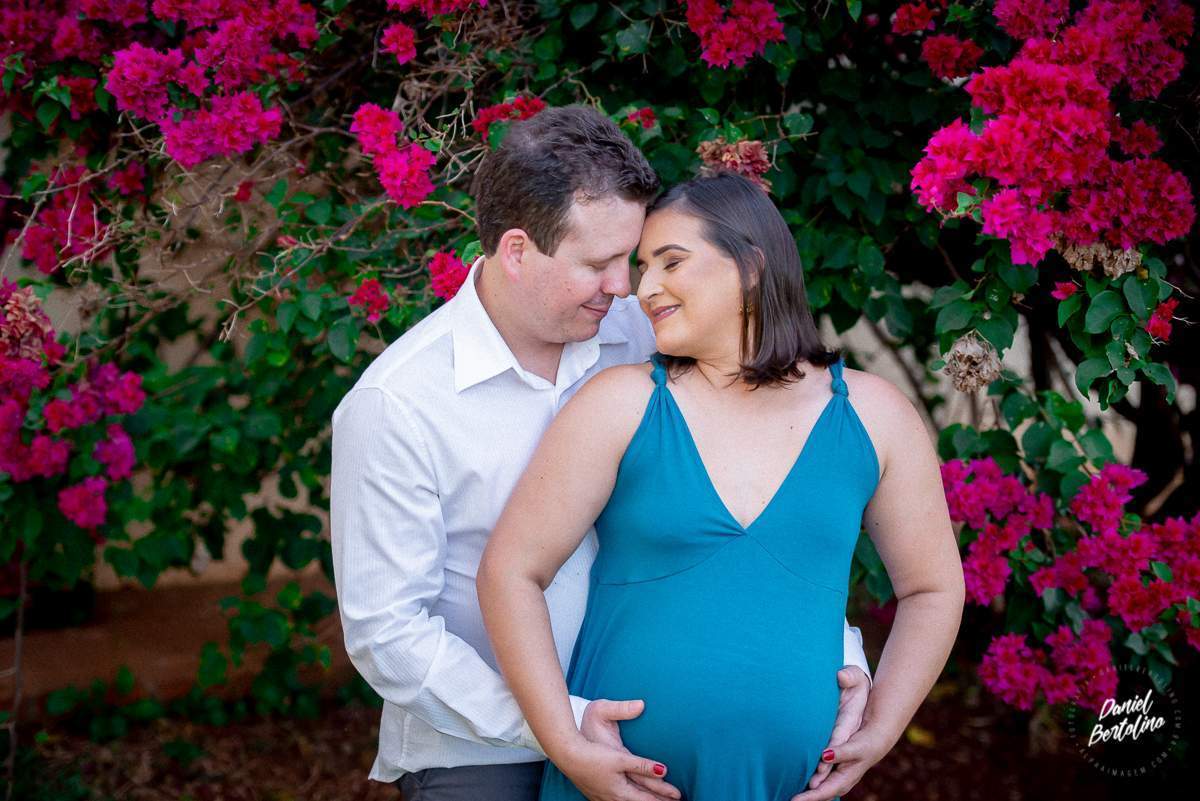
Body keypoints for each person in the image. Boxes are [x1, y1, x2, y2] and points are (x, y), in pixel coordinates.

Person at [330, 106, 877, 801]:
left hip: (653, 738)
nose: (627, 286)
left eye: (634, 256)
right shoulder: (398, 404)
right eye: (599, 263)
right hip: (479, 753)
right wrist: (557, 725)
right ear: (519, 249)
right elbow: (387, 632)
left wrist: (834, 654)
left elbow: (764, 492)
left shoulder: (649, 337)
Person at [476, 170, 966, 801]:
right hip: (620, 787)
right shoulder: (620, 405)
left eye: (671, 262)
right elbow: (509, 572)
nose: (644, 288)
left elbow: (932, 588)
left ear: (751, 265)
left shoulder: (875, 416)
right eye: (642, 266)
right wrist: (566, 746)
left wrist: (882, 728)